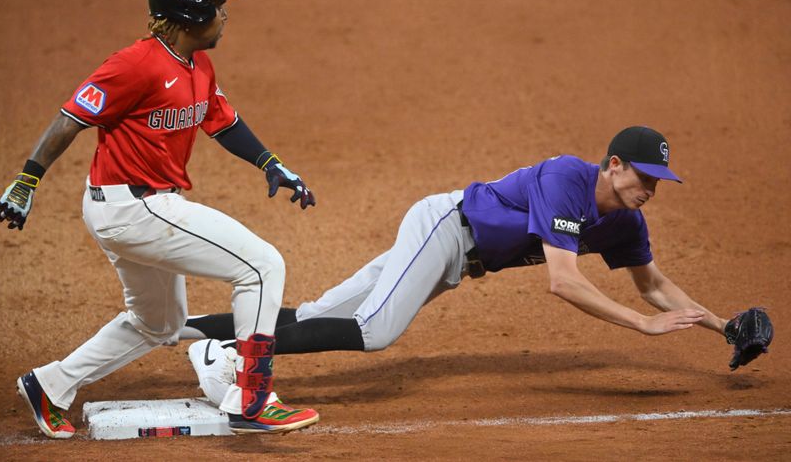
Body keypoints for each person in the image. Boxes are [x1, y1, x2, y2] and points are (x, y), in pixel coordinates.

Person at [178, 126, 769, 406]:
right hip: (444, 227)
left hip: (458, 255)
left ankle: (179, 330)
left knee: (319, 313)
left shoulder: (625, 224)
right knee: (375, 331)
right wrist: (639, 326)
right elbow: (562, 281)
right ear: (614, 165)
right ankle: (231, 359)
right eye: (646, 178)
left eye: (659, 183)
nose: (652, 190)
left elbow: (656, 286)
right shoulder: (569, 178)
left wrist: (723, 327)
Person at [0, 0, 319, 438]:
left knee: (160, 323)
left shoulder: (198, 64)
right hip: (135, 208)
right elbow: (71, 118)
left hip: (130, 207)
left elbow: (223, 123)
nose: (224, 13)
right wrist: (27, 180)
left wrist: (269, 162)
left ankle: (50, 384)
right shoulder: (134, 65)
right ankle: (252, 397)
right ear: (190, 15)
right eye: (216, 5)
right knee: (262, 266)